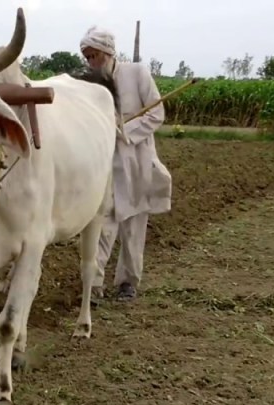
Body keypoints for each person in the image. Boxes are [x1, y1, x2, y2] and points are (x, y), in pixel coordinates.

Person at [80, 26, 173, 302]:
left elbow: (156, 114)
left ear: (107, 52)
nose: (91, 62)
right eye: (86, 57)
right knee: (102, 225)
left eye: (93, 55)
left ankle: (127, 283)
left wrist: (125, 132)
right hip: (106, 166)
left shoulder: (137, 73)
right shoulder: (93, 85)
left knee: (133, 228)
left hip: (135, 163)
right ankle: (94, 285)